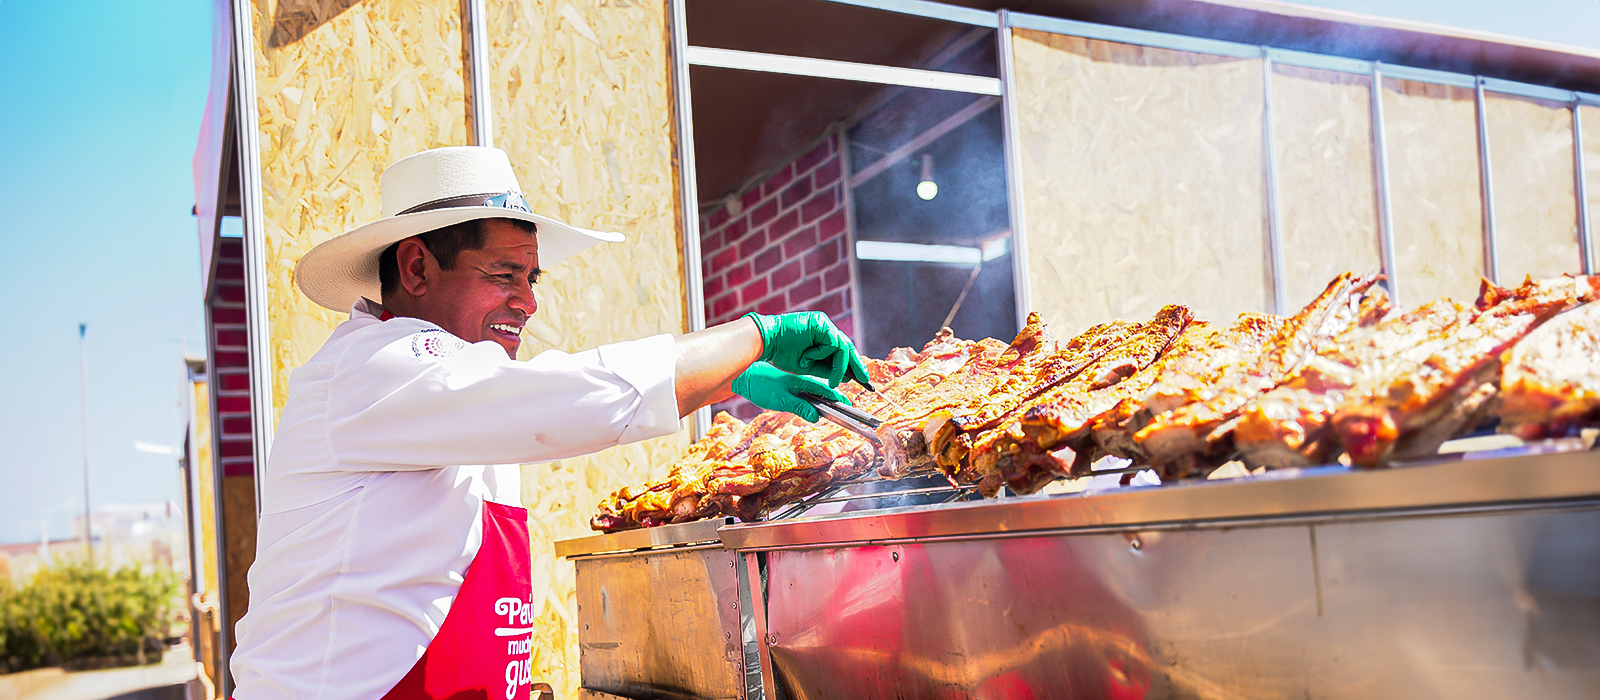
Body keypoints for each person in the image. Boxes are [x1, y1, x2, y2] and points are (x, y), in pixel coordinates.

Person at [228, 146, 869, 699]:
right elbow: (568, 399)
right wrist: (756, 336)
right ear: (417, 268)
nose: (528, 301)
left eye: (532, 277)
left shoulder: (459, 391)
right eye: (503, 273)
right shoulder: (377, 365)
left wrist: (727, 381)